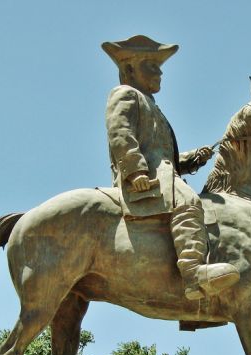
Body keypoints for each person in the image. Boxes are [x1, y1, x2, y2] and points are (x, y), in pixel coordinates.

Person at [102, 35, 239, 301]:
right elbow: (120, 133)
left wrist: (192, 159)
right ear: (130, 69)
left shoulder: (152, 105)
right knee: (188, 199)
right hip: (147, 177)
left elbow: (160, 153)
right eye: (151, 65)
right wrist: (135, 171)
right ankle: (193, 273)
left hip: (162, 173)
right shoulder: (125, 94)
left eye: (159, 66)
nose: (160, 71)